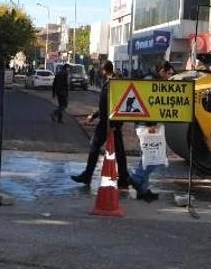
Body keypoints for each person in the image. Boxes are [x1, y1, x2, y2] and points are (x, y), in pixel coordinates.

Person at [71, 61, 132, 189]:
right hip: (108, 122)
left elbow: (116, 106)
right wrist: (94, 115)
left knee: (95, 146)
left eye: (100, 69)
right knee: (119, 151)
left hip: (109, 123)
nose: (99, 72)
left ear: (104, 70)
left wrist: (114, 124)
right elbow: (105, 106)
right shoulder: (109, 83)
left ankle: (88, 175)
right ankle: (123, 178)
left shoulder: (112, 84)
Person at [129, 61, 176, 202]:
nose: (170, 77)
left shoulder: (153, 79)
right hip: (147, 126)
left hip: (149, 125)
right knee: (154, 156)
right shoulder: (150, 81)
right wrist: (151, 124)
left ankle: (142, 191)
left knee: (148, 156)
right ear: (162, 70)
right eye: (169, 73)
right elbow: (147, 104)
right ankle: (136, 179)